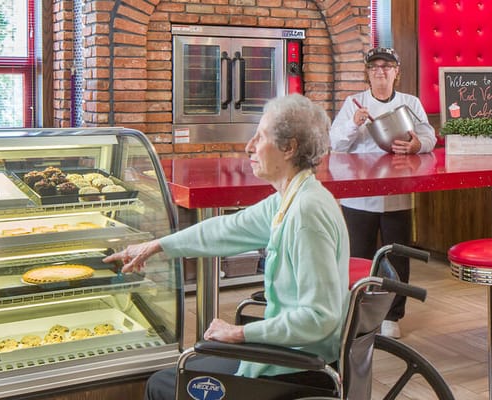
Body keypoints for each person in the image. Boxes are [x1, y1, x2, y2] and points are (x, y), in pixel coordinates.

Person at [105, 94, 349, 400]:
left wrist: (240, 332)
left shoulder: (306, 213)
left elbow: (319, 317)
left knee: (163, 384)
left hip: (294, 369)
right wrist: (156, 245)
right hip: (281, 355)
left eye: (260, 137)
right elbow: (223, 229)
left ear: (289, 148)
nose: (249, 146)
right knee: (178, 372)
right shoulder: (293, 198)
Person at [328, 47, 437, 338]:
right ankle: (357, 313)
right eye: (374, 67)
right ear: (367, 72)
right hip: (359, 194)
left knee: (396, 256)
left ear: (396, 72)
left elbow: (429, 135)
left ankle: (392, 315)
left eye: (386, 66)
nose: (380, 71)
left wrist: (416, 145)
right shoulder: (354, 103)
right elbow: (336, 143)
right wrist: (354, 125)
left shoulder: (409, 102)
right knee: (359, 255)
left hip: (398, 191)